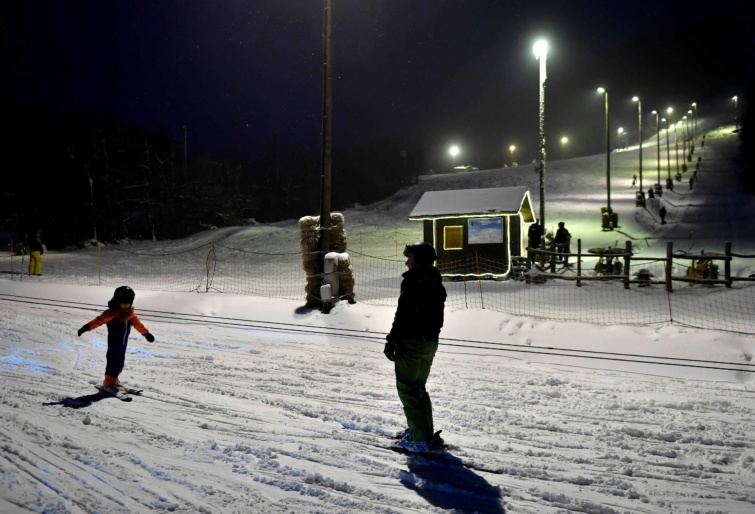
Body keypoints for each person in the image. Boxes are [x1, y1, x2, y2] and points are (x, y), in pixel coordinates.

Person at [384, 242, 447, 453]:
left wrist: (392, 340)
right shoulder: (436, 280)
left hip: (411, 342)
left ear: (418, 259)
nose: (406, 261)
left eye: (409, 257)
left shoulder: (413, 281)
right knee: (419, 388)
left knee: (408, 390)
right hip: (430, 342)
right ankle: (423, 433)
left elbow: (403, 314)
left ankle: (419, 440)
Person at [77, 286, 155, 389]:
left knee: (120, 363)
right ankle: (109, 383)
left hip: (123, 344)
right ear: (117, 301)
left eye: (128, 303)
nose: (126, 306)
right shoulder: (111, 314)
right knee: (113, 362)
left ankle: (114, 380)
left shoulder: (130, 315)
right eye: (123, 303)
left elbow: (138, 324)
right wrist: (86, 328)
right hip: (114, 343)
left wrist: (146, 334)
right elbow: (98, 321)